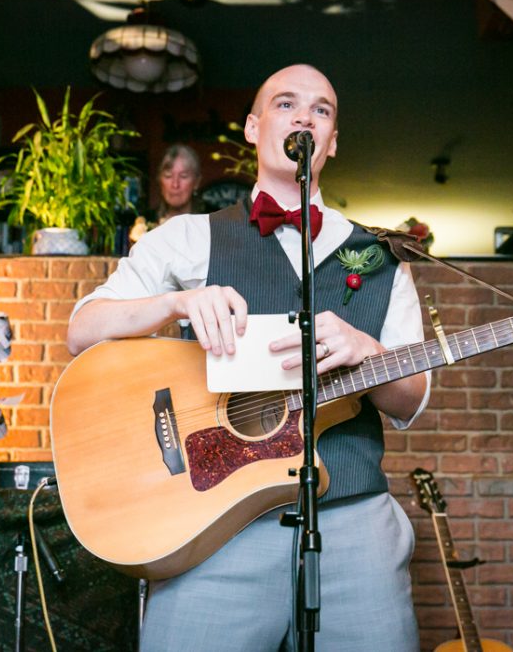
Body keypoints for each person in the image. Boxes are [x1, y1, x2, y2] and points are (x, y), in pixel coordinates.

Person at [67, 64, 429, 651]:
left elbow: (413, 397)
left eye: (322, 109)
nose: (305, 116)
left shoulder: (384, 254)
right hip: (213, 527)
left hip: (354, 520)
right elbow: (82, 330)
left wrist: (369, 352)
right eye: (286, 104)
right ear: (253, 127)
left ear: (332, 142)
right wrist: (174, 302)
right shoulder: (187, 237)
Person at [157, 143, 203, 222]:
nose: (175, 185)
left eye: (183, 176)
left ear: (196, 182)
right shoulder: (142, 222)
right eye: (168, 176)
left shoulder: (211, 222)